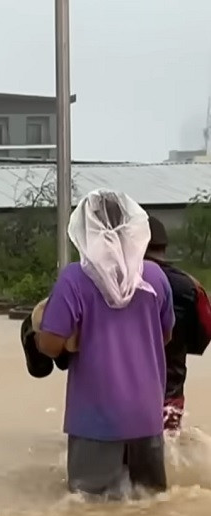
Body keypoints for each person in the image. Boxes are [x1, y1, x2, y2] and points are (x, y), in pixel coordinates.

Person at [35, 190, 174, 498]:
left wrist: (40, 328)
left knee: (90, 511)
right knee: (151, 508)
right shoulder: (154, 277)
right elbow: (164, 337)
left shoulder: (75, 279)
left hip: (96, 422)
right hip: (147, 416)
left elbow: (50, 345)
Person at [145, 215, 211, 434]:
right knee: (169, 450)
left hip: (126, 392)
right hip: (171, 391)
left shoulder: (120, 282)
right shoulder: (191, 286)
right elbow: (203, 335)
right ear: (165, 246)